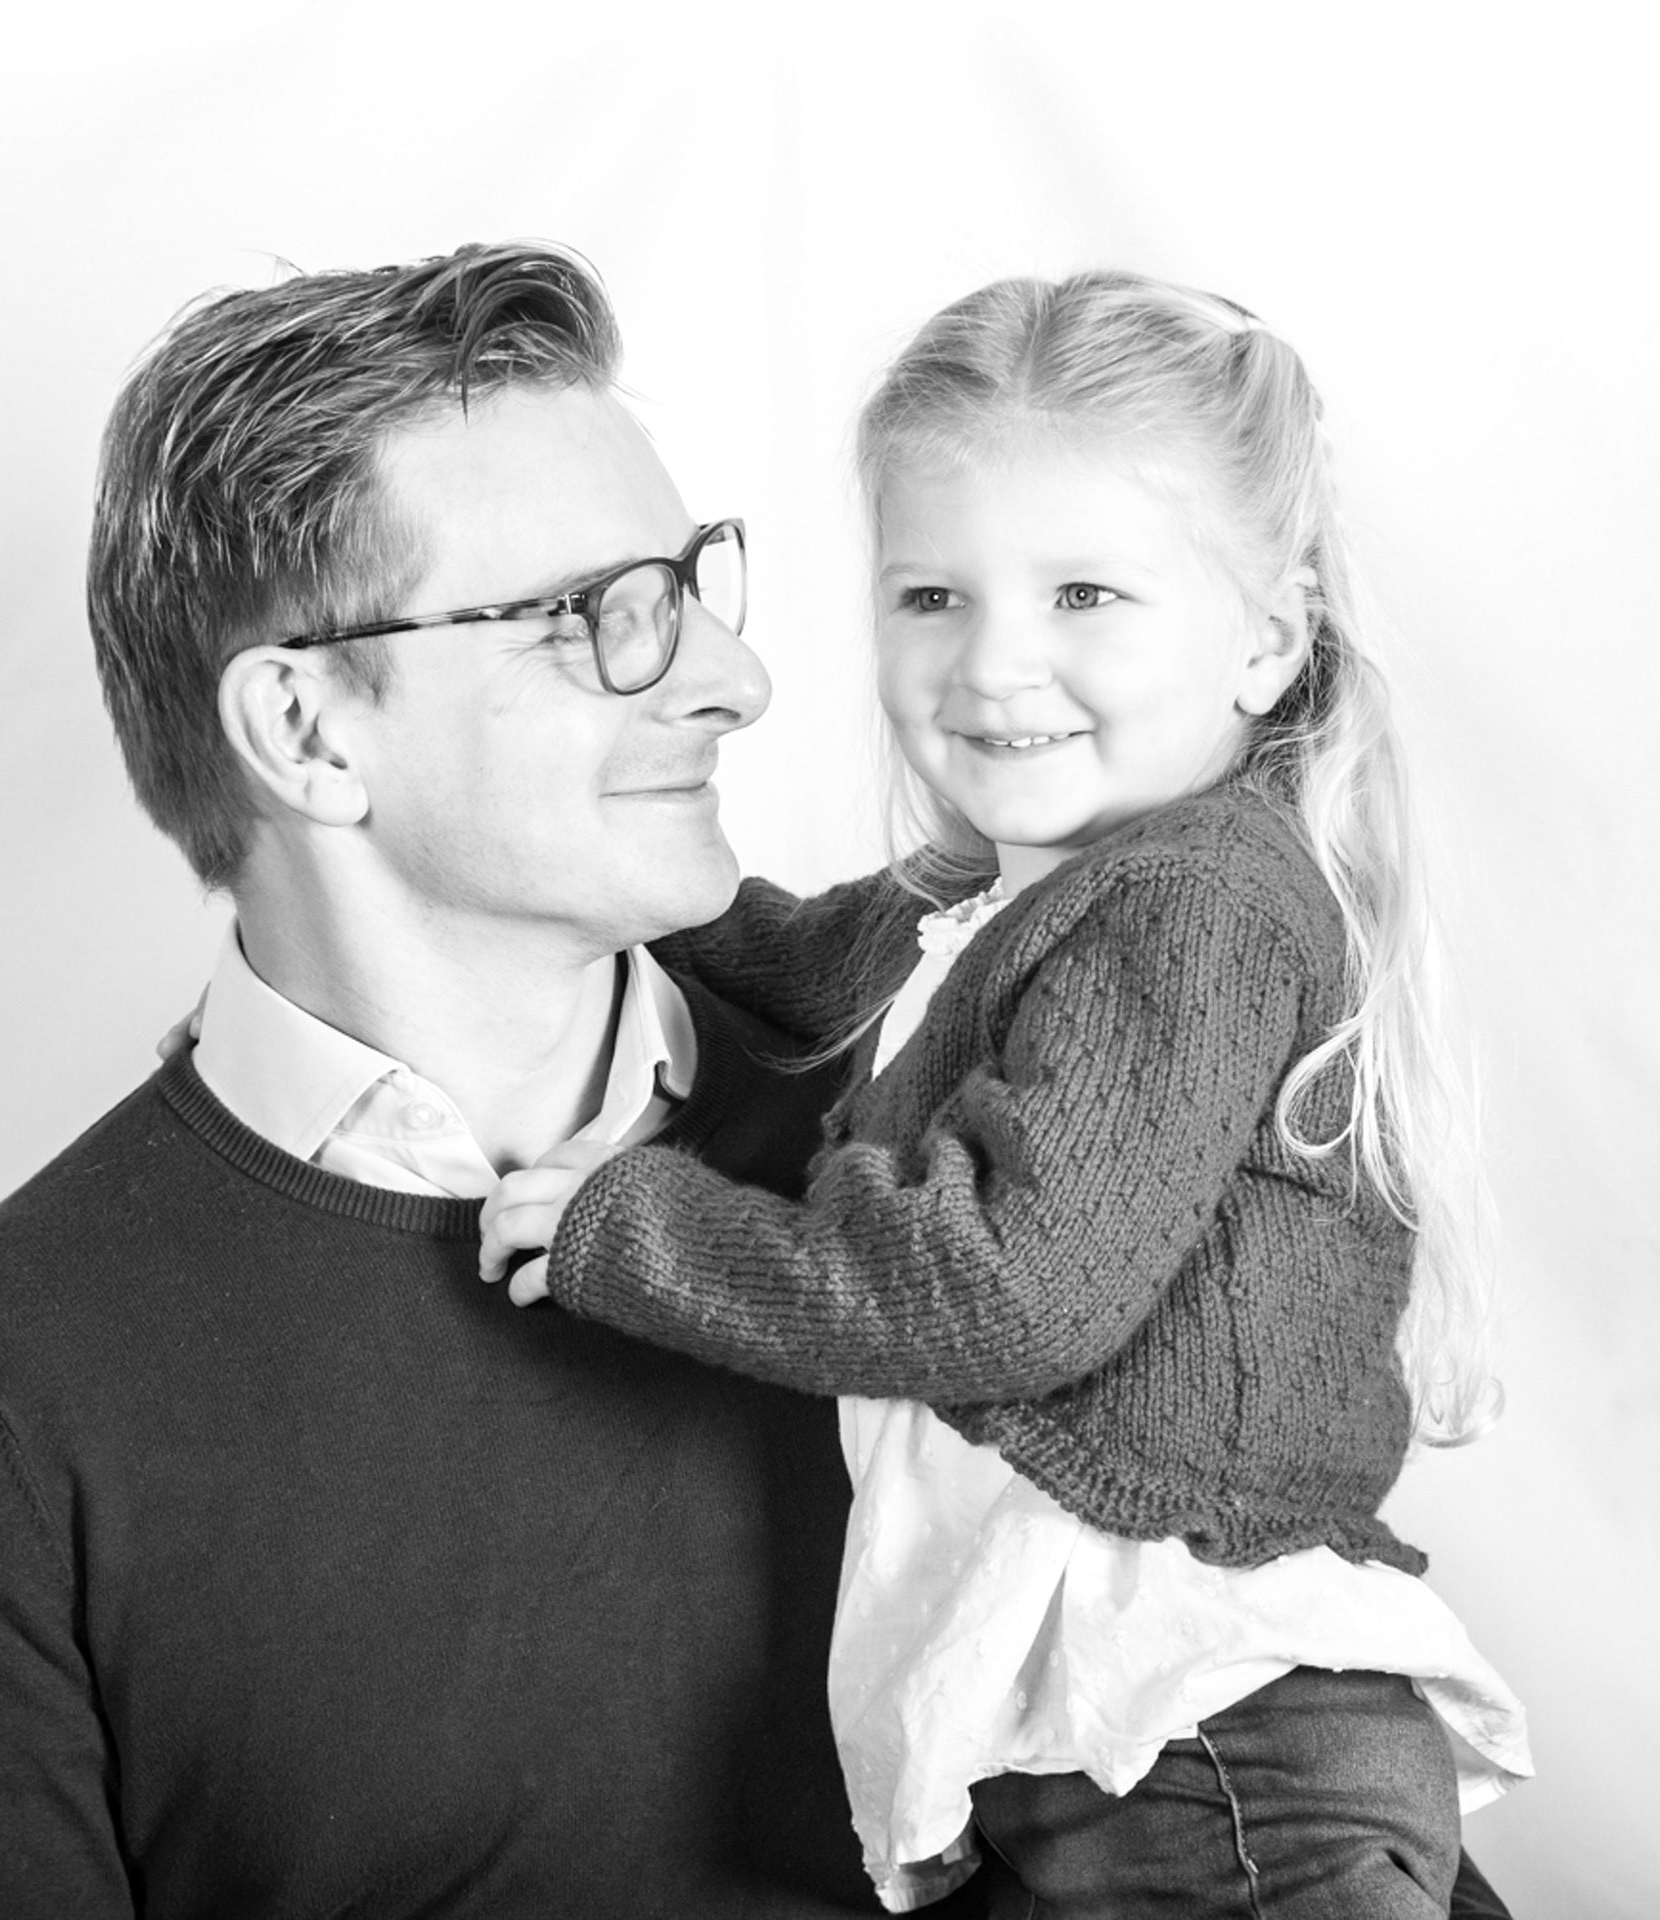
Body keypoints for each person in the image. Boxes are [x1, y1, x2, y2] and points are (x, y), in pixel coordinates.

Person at [0, 243, 957, 1917]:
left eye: (694, 586)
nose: (732, 681)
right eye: (599, 616)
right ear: (310, 734)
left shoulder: (951, 1178)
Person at [479, 271, 1534, 1917]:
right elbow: (826, 972)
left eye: (1084, 594)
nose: (993, 665)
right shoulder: (1018, 882)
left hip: (1210, 1733)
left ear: (1267, 638)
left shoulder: (1193, 902)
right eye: (932, 597)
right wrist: (623, 875)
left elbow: (1009, 1289)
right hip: (1125, 1737)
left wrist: (643, 1235)